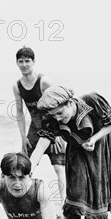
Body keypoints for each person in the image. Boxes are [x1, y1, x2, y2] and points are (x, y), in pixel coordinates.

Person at [29, 86, 111, 219]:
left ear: (71, 103)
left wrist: (93, 139)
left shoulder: (93, 100)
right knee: (75, 195)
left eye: (60, 113)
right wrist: (28, 170)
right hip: (76, 151)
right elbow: (40, 146)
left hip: (103, 148)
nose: (57, 118)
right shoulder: (51, 119)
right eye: (54, 115)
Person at [13, 47, 66, 202]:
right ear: (17, 63)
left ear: (33, 62)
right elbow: (19, 112)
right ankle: (23, 199)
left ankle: (64, 203)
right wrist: (23, 137)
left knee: (59, 168)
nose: (24, 64)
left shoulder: (43, 82)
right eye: (21, 61)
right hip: (35, 130)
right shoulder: (17, 86)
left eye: (27, 61)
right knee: (25, 166)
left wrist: (58, 133)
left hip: (52, 128)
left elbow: (59, 105)